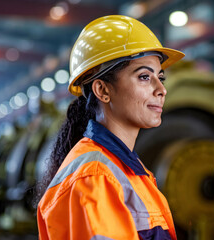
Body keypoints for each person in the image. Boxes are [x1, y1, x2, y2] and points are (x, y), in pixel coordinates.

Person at [36, 15, 184, 240]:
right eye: (144, 77)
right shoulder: (95, 178)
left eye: (160, 77)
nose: (161, 89)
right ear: (102, 90)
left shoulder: (126, 170)